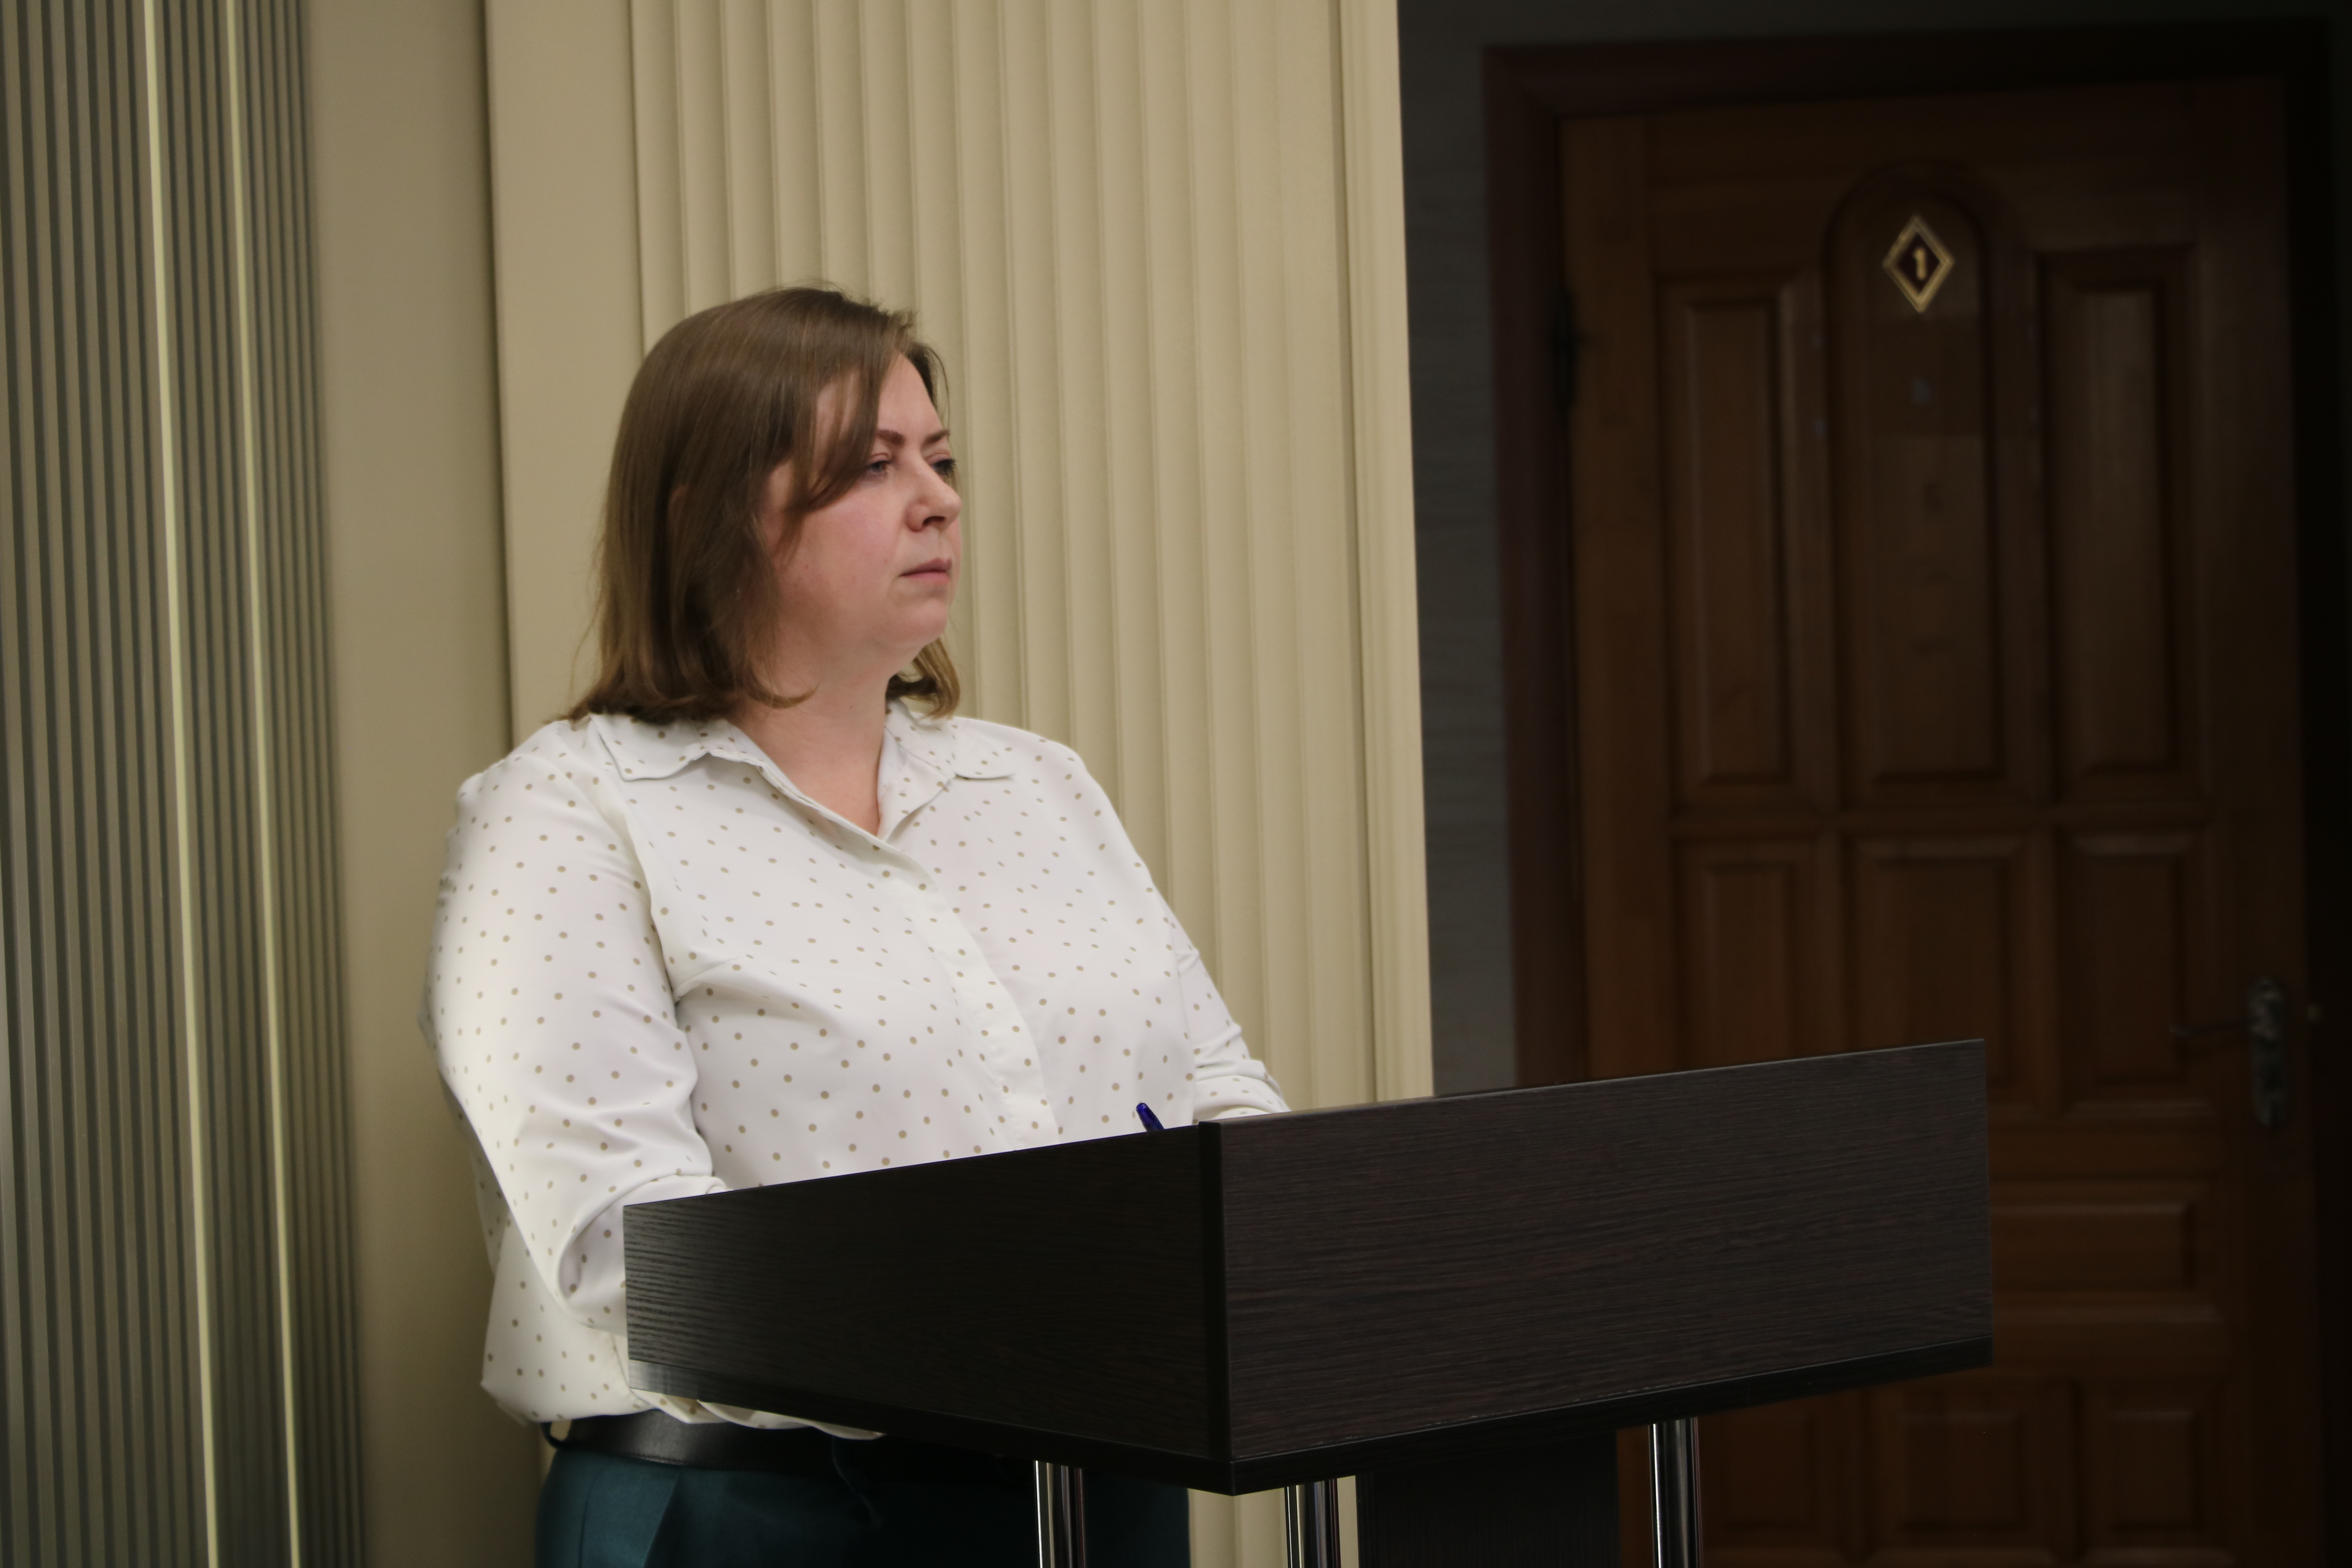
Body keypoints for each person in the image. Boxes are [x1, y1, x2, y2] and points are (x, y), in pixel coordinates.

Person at [424, 285, 1289, 1567]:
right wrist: (1044, 1328)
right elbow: (628, 1251)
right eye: (873, 468)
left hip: (1103, 1493)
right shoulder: (564, 813)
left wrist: (1281, 1254)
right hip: (762, 1515)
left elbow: (1218, 1097)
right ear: (711, 516)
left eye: (940, 460)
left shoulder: (1034, 784)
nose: (939, 501)